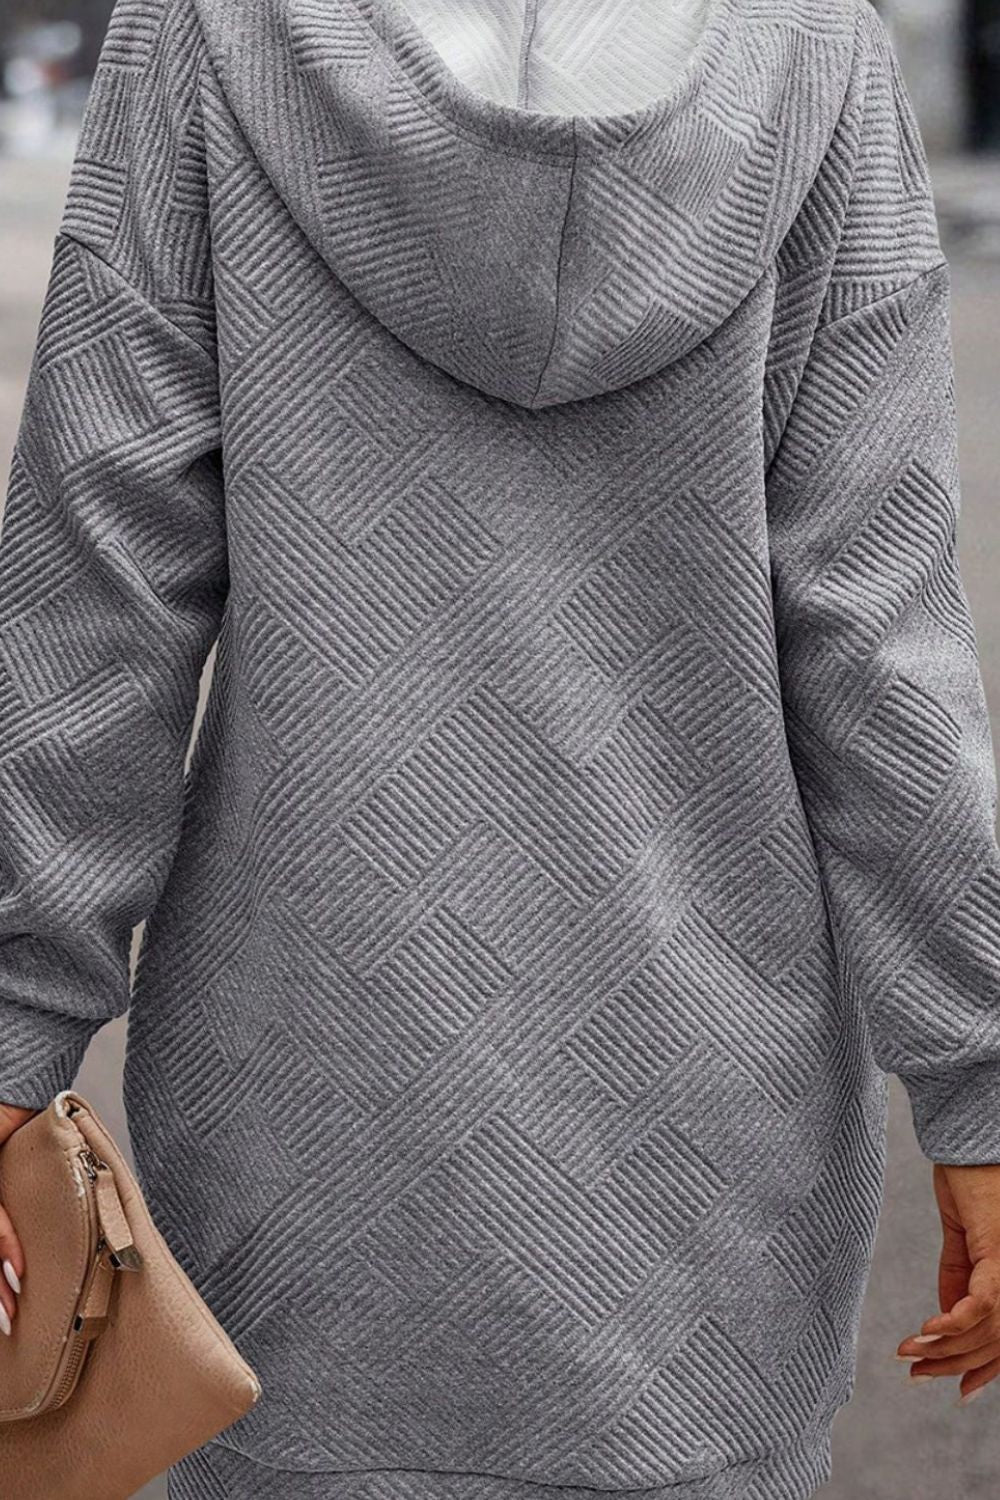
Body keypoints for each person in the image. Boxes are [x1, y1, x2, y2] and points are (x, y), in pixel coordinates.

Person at [2, 0, 1000, 1495]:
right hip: (705, 1151)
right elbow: (877, 641)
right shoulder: (815, 56)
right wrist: (981, 1080)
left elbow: (98, 592)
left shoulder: (211, 36)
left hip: (304, 1114)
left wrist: (11, 1030)